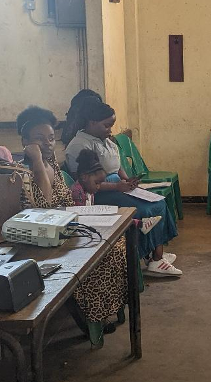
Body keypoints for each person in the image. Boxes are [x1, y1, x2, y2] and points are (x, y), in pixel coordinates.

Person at [16, 106, 128, 349]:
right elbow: (44, 208)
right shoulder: (23, 171)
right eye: (39, 139)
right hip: (46, 235)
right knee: (101, 256)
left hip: (67, 224)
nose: (47, 144)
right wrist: (36, 161)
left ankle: (105, 311)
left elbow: (65, 200)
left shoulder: (52, 162)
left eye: (50, 138)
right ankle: (93, 318)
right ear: (24, 141)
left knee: (117, 242)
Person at [65, 97, 182, 277]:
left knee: (159, 202)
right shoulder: (80, 145)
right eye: (106, 125)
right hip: (101, 193)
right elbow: (86, 184)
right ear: (92, 122)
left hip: (118, 185)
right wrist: (117, 187)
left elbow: (116, 164)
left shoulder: (105, 139)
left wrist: (128, 181)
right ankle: (155, 259)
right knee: (147, 209)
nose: (109, 130)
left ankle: (154, 255)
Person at [69, 148, 163, 235]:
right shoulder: (78, 193)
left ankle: (139, 224)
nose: (98, 187)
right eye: (97, 183)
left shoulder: (88, 189)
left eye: (100, 183)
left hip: (90, 221)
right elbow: (80, 218)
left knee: (117, 215)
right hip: (83, 227)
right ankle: (139, 224)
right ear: (84, 177)